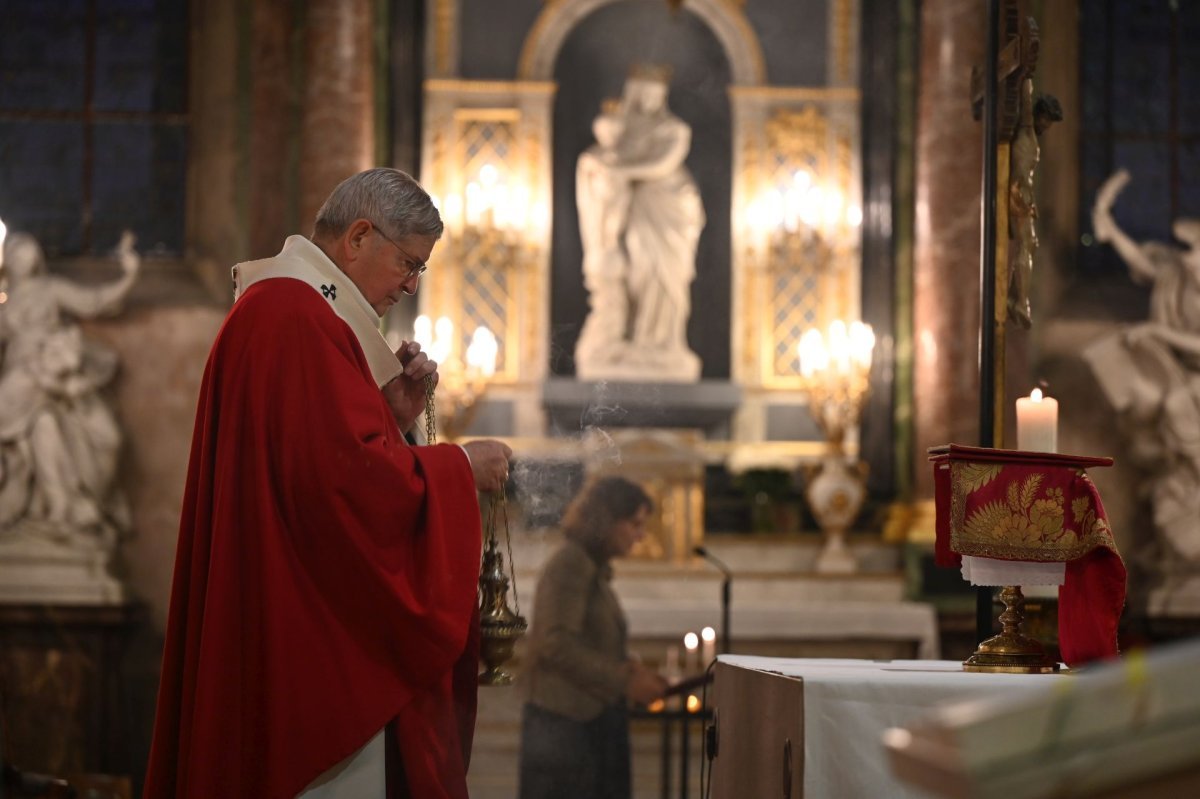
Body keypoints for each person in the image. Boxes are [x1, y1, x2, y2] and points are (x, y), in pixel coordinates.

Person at [143, 168, 513, 799]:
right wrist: (459, 468)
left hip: (288, 613)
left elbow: (322, 467)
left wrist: (391, 418)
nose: (412, 284)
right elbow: (342, 493)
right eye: (408, 263)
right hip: (307, 651)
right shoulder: (293, 316)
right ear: (358, 237)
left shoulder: (289, 312)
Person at [517, 476, 668, 799]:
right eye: (634, 524)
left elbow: (590, 640)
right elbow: (555, 643)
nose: (641, 536)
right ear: (607, 520)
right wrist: (624, 681)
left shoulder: (591, 566)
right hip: (566, 731)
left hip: (585, 725)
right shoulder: (571, 563)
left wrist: (631, 670)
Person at [0, 230, 138, 541]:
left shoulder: (50, 289)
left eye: (28, 253)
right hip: (22, 381)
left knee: (100, 435)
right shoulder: (5, 305)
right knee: (41, 423)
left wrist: (129, 276)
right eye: (17, 254)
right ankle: (60, 506)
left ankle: (76, 504)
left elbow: (94, 301)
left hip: (57, 375)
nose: (24, 259)